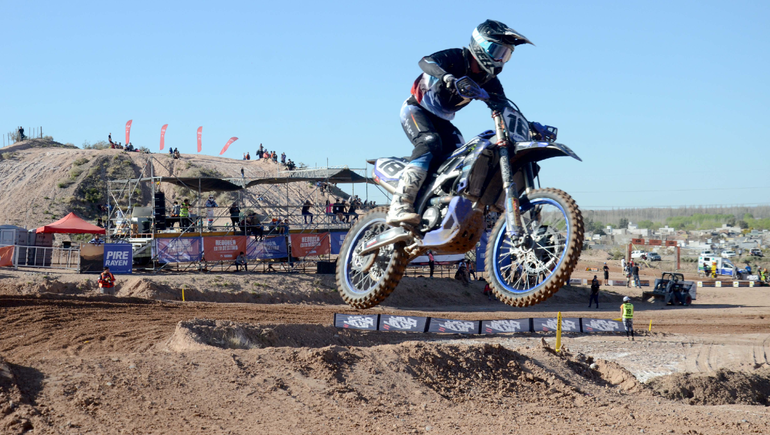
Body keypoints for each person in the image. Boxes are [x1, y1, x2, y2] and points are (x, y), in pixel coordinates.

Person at [386, 20, 532, 226]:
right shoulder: (456, 58)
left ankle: (437, 207)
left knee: (461, 158)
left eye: (505, 54)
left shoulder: (489, 81)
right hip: (416, 109)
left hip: (444, 121)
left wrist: (529, 125)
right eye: (497, 51)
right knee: (429, 142)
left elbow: (505, 106)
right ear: (481, 45)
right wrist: (446, 76)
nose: (500, 59)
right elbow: (425, 62)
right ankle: (400, 205)